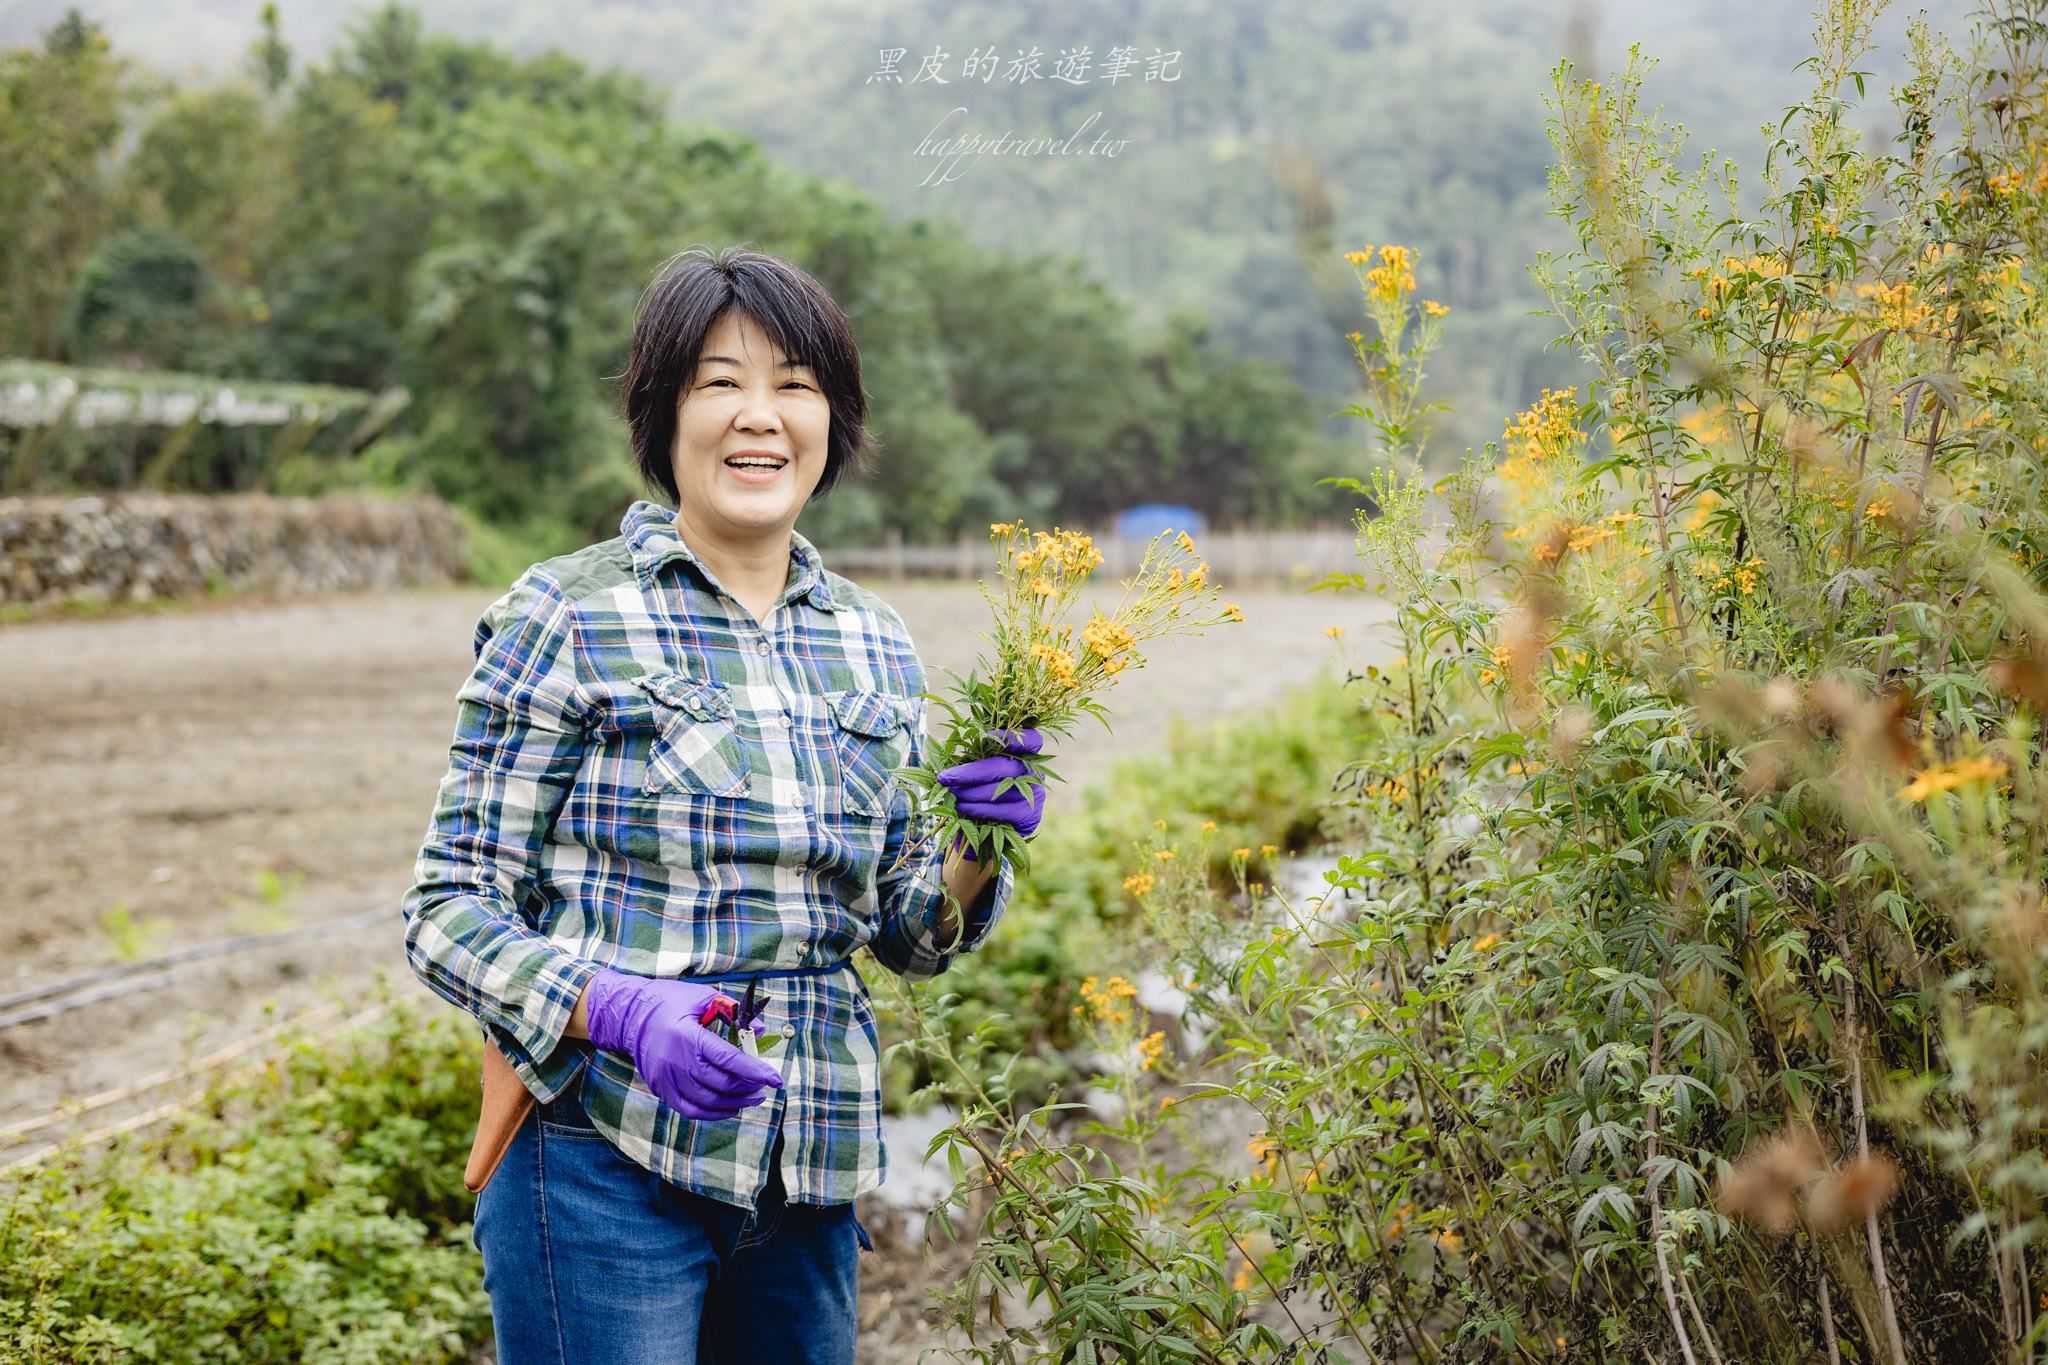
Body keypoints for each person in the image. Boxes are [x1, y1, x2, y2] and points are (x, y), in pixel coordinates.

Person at [399, 244, 1050, 1364]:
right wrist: (618, 1010)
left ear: (832, 422)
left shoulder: (871, 640)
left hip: (807, 1169)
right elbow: (445, 907)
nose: (761, 417)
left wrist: (975, 848)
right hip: (600, 1162)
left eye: (794, 386)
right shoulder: (567, 612)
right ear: (663, 415)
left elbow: (903, 934)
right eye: (719, 382)